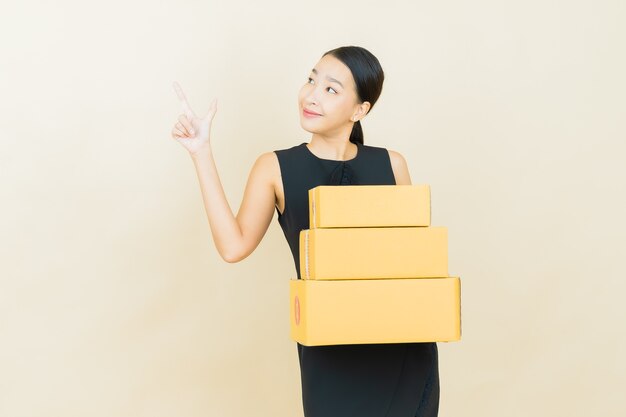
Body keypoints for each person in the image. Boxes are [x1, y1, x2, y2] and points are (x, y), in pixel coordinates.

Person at [170, 45, 440, 417]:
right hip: (329, 354)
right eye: (311, 80)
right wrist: (201, 153)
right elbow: (233, 246)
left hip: (403, 353)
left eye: (331, 89)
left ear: (360, 110)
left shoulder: (392, 165)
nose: (311, 95)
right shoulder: (275, 168)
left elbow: (414, 266)